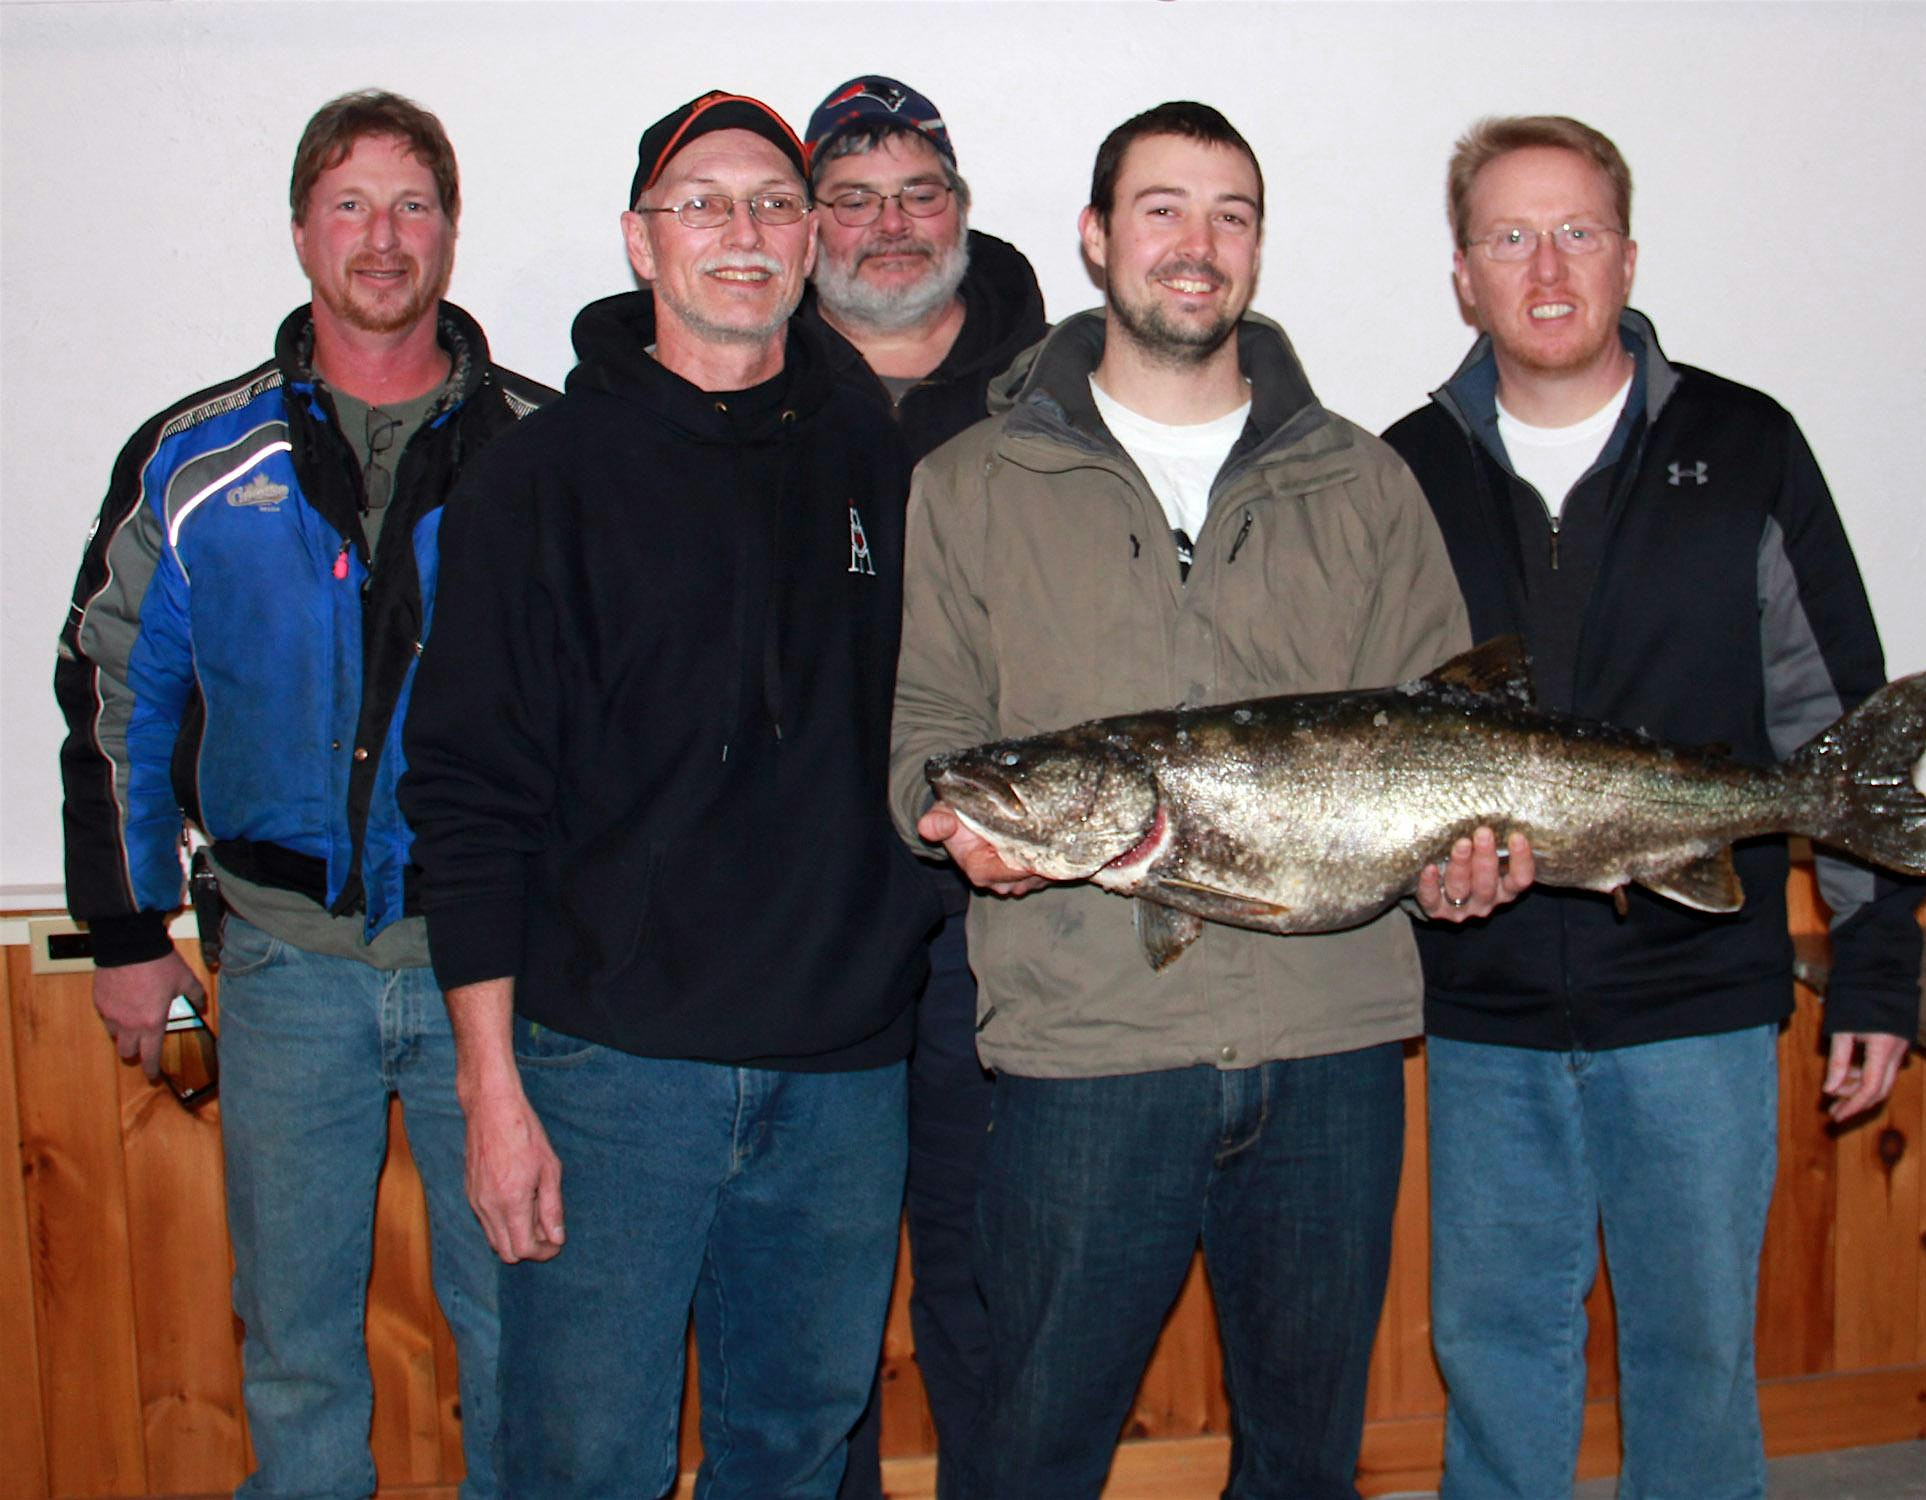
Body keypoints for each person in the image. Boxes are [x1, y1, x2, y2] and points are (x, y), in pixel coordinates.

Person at [890, 100, 1525, 1500]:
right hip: (1082, 1050)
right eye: (1163, 209)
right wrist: (954, 826)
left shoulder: (1364, 480)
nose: (1198, 245)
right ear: (1096, 236)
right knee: (1031, 1450)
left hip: (1332, 1046)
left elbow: (1448, 733)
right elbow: (929, 731)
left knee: (1306, 1462)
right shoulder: (973, 483)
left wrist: (1464, 862)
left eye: (1231, 214)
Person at [397, 90, 942, 1498]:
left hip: (840, 1073)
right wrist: (491, 1092)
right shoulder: (539, 478)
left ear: (813, 240)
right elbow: (466, 793)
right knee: (585, 1464)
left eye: (773, 204)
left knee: (797, 1451)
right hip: (609, 1076)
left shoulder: (881, 464)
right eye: (705, 203)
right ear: (642, 241)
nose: (743, 234)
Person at [1381, 115, 1923, 1499]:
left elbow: (1838, 734)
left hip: (1698, 1000)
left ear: (1626, 255)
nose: (1546, 270)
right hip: (1485, 1010)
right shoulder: (1399, 475)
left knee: (1695, 1359)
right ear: (1463, 275)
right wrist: (1412, 881)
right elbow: (1371, 750)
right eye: (1510, 237)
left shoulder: (1747, 447)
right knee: (1494, 1349)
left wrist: (1877, 971)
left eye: (1576, 233)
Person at [54, 89, 551, 1500]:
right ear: (299, 232)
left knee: (523, 1331)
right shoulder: (197, 459)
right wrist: (129, 928)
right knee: (297, 1345)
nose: (381, 238)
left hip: (501, 980)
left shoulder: (545, 452)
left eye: (411, 206)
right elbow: (111, 692)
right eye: (351, 205)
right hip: (284, 970)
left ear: (451, 233)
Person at [797, 73, 1048, 1499]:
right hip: (803, 926)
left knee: (988, 1281)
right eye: (853, 197)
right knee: (815, 1297)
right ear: (810, 222)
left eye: (920, 193)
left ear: (961, 211)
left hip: (999, 919)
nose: (891, 227)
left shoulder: (1059, 392)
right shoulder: (748, 389)